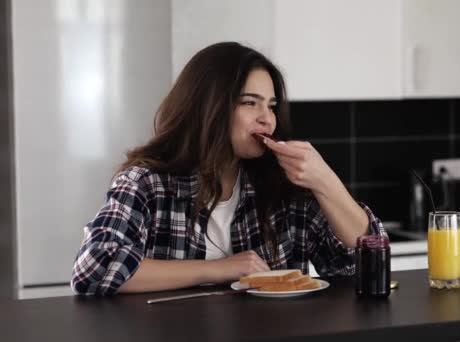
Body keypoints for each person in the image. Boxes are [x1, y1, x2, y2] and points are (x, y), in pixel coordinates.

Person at [71, 42, 384, 295]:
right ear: (209, 106)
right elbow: (95, 267)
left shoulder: (284, 187)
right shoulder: (146, 183)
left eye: (271, 106)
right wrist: (220, 268)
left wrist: (326, 182)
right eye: (250, 103)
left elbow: (363, 264)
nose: (268, 119)